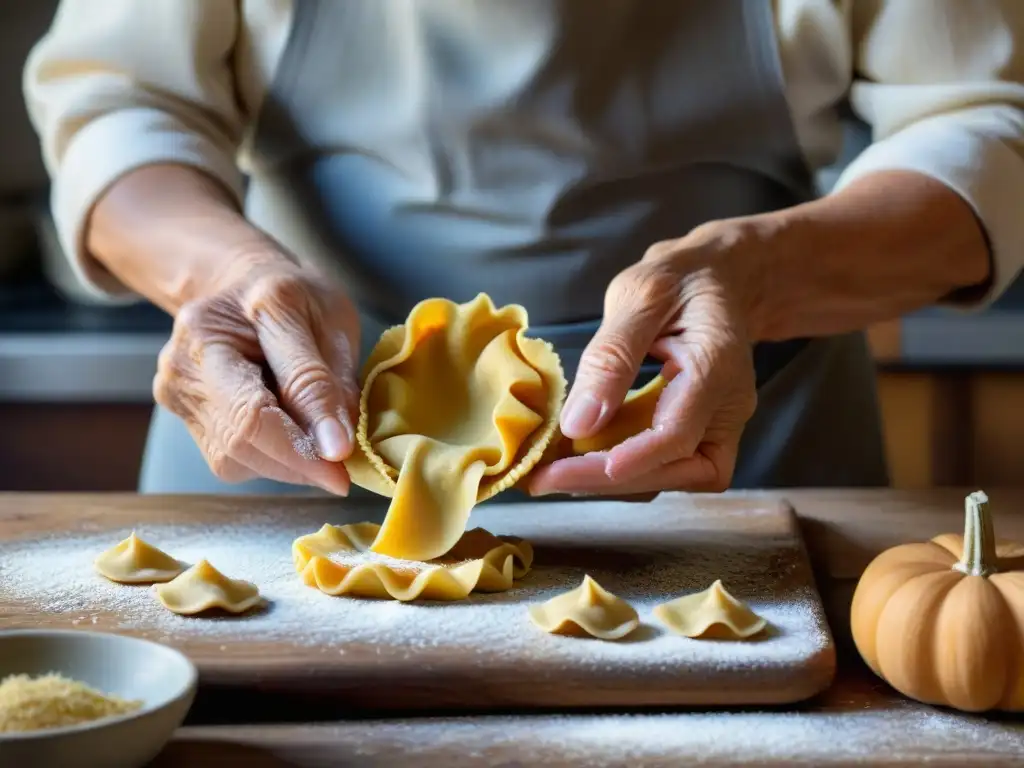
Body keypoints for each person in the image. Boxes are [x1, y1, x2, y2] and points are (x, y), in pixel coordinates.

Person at [22, 1, 1024, 498]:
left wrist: (758, 276)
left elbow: (985, 121)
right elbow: (121, 104)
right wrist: (225, 276)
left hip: (735, 453)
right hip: (289, 436)